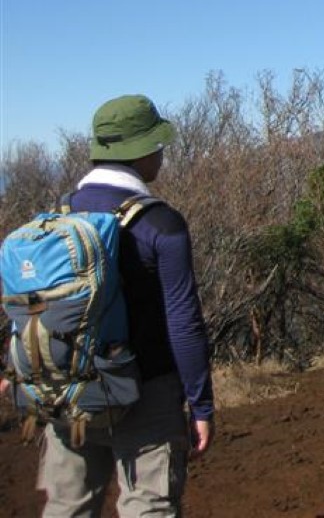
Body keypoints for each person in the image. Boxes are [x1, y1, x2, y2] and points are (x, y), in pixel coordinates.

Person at [27, 94, 215, 517]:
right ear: (143, 151)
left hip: (68, 393)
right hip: (146, 392)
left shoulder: (60, 213)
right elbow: (183, 323)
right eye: (158, 146)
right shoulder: (160, 224)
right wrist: (200, 404)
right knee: (149, 506)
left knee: (67, 507)